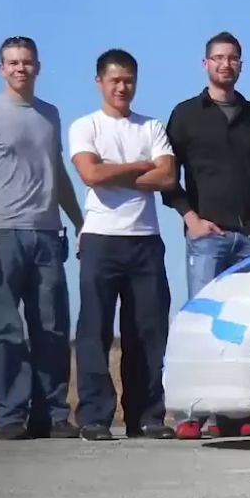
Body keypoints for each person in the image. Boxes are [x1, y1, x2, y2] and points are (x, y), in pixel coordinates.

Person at [0, 36, 85, 440]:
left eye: (27, 62)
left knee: (50, 326)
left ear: (37, 67)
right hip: (1, 233)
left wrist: (80, 220)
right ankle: (10, 415)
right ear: (1, 68)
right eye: (12, 62)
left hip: (47, 233)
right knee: (5, 328)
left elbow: (58, 172)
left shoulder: (50, 114)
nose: (20, 69)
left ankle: (51, 413)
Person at [162, 30, 250, 440]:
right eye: (218, 58)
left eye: (232, 58)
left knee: (243, 324)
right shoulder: (185, 114)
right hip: (207, 235)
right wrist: (190, 217)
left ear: (240, 65)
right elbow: (166, 175)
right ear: (205, 63)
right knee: (201, 323)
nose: (225, 64)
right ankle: (190, 413)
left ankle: (232, 413)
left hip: (249, 237)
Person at [68, 48, 178, 442]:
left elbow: (167, 177)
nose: (122, 87)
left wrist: (114, 173)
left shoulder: (151, 127)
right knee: (95, 329)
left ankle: (146, 415)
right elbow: (90, 173)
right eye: (114, 80)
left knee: (148, 331)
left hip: (145, 240)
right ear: (100, 82)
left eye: (128, 80)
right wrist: (139, 166)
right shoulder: (86, 126)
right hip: (101, 239)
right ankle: (95, 417)